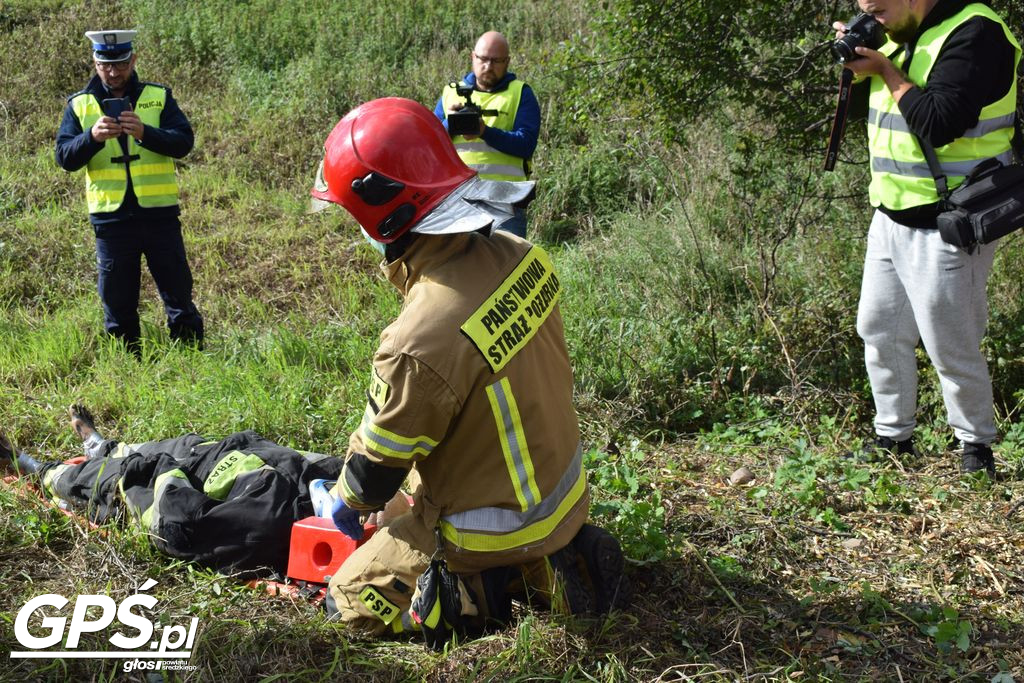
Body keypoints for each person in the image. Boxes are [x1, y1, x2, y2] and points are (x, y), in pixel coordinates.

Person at [310, 97, 629, 641]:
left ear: (387, 215)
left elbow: (376, 468)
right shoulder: (521, 252)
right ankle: (555, 559)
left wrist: (344, 503)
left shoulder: (417, 339)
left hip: (490, 528)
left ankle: (488, 590)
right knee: (409, 496)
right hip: (565, 493)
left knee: (346, 600)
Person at [834, 0, 1020, 476]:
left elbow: (940, 122)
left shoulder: (977, 32)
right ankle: (893, 436)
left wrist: (885, 70)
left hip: (949, 219)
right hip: (891, 214)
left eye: (878, 4)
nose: (869, 10)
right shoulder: (897, 33)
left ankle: (976, 447)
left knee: (950, 343)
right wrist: (859, 68)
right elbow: (877, 115)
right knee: (878, 330)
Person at [0, 405, 343, 575]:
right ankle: (105, 447)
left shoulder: (266, 521)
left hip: (179, 480)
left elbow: (180, 525)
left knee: (110, 477)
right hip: (217, 453)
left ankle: (32, 468)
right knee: (180, 444)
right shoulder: (333, 476)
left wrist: (163, 472)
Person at [56, 30, 204, 354]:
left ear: (133, 59)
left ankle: (191, 360)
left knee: (178, 294)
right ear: (95, 63)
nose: (113, 72)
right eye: (105, 64)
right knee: (118, 302)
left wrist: (145, 132)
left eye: (121, 63)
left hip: (159, 216)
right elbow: (64, 158)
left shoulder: (158, 96)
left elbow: (184, 142)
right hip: (111, 221)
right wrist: (91, 138)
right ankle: (128, 368)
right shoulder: (79, 105)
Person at [433, 31, 540, 238]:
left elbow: (526, 144)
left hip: (506, 202)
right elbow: (430, 144)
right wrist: (450, 124)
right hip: (459, 202)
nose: (488, 66)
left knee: (507, 267)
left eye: (496, 61)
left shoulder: (521, 93)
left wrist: (484, 132)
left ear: (507, 61)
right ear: (473, 57)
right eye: (483, 59)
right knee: (462, 269)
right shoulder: (450, 93)